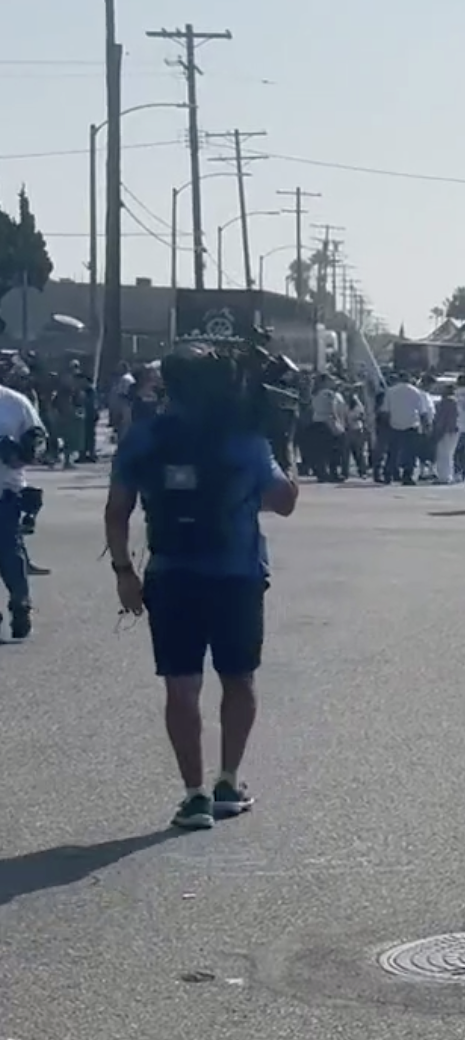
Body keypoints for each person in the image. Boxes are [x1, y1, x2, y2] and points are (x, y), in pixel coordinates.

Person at [104, 348, 300, 831]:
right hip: (236, 572)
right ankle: (229, 782)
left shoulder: (144, 437)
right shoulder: (244, 439)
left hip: (170, 572)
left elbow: (117, 510)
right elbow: (285, 501)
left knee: (181, 685)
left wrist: (124, 570)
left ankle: (193, 796)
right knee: (238, 678)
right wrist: (285, 445)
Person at [0, 374, 43, 639]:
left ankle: (20, 602)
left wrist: (20, 452)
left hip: (6, 490)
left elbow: (37, 441)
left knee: (9, 550)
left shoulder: (14, 402)